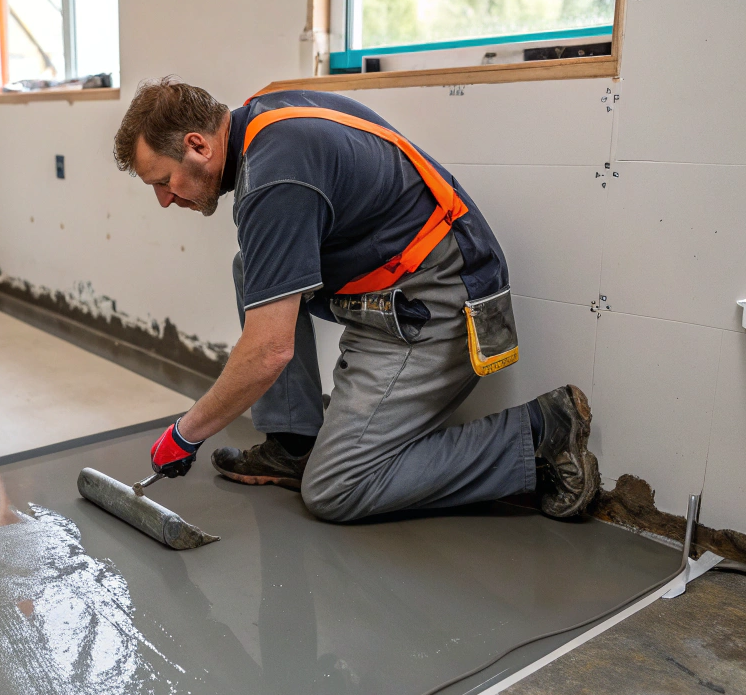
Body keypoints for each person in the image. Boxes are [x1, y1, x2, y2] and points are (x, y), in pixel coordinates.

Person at [113, 77, 600, 522]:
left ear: (197, 145)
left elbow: (269, 350)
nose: (164, 199)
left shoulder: (275, 178)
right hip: (405, 284)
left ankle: (538, 434)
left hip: (440, 301)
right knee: (254, 268)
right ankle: (293, 442)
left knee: (335, 490)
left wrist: (186, 433)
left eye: (162, 180)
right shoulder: (264, 121)